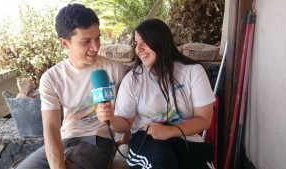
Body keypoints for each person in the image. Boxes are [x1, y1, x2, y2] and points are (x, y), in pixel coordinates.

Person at [16, 3, 126, 169]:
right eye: (86, 41)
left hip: (99, 138)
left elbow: (128, 116)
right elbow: (51, 128)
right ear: (64, 43)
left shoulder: (116, 69)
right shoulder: (51, 78)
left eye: (97, 38)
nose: (95, 47)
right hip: (65, 138)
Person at [96, 19, 216, 169]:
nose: (138, 49)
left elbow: (204, 120)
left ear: (160, 40)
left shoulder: (193, 71)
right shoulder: (133, 80)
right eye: (136, 43)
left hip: (187, 140)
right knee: (162, 163)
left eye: (144, 41)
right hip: (146, 140)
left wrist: (169, 131)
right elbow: (125, 124)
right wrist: (111, 119)